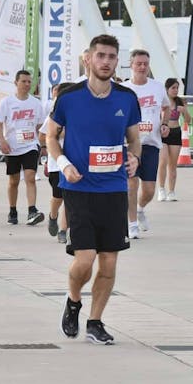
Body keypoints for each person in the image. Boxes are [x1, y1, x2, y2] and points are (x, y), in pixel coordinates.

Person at [45, 35, 141, 345]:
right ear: (88, 59)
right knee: (84, 260)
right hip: (79, 187)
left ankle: (95, 321)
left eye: (112, 57)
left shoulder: (126, 98)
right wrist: (63, 164)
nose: (106, 62)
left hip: (113, 187)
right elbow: (50, 137)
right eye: (100, 55)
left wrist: (135, 159)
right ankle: (73, 300)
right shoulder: (69, 97)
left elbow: (134, 138)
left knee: (109, 261)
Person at [122, 49, 169, 239]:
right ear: (131, 65)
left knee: (149, 189)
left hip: (151, 144)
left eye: (145, 64)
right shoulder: (123, 89)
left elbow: (166, 106)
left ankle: (140, 210)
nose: (142, 67)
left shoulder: (157, 87)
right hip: (129, 144)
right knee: (131, 184)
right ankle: (132, 224)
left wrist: (164, 123)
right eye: (138, 63)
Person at [0, 70, 47, 227]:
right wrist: (2, 141)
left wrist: (42, 145)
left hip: (30, 145)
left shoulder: (36, 103)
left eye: (29, 81)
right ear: (16, 83)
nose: (27, 84)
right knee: (14, 181)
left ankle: (32, 210)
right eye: (23, 81)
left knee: (30, 177)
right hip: (12, 147)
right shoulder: (7, 102)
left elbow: (40, 125)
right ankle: (13, 210)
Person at [40, 82, 72, 243]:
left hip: (73, 163)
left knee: (69, 197)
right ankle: (53, 216)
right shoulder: (53, 116)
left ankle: (63, 229)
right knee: (58, 196)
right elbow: (42, 136)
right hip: (56, 164)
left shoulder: (77, 114)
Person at [157, 78, 190, 202]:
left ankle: (171, 191)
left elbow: (188, 120)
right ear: (167, 89)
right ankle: (161, 189)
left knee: (172, 165)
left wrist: (185, 111)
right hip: (163, 133)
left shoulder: (180, 102)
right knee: (163, 161)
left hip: (176, 132)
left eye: (177, 88)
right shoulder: (162, 101)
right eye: (173, 88)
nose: (176, 90)